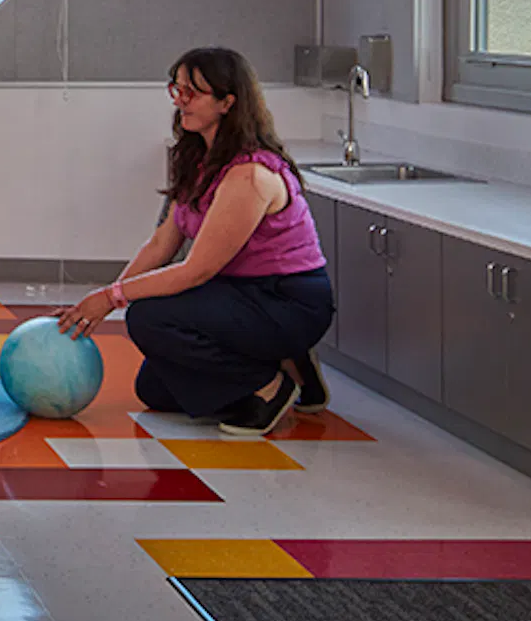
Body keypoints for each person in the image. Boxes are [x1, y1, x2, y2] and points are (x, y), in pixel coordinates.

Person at [60, 45, 334, 437]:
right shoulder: (196, 159)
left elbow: (197, 270)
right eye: (177, 89)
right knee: (155, 390)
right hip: (239, 294)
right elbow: (161, 245)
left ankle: (270, 387)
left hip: (286, 301)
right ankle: (288, 362)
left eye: (193, 92)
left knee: (148, 318)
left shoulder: (250, 175)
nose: (180, 101)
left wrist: (114, 300)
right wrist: (106, 295)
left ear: (227, 102)